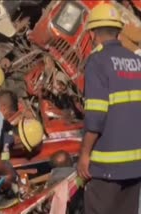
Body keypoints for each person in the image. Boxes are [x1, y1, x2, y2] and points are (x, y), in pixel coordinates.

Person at [76, 3, 141, 214]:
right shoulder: (136, 61)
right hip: (135, 165)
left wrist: (84, 155)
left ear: (93, 34)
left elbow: (96, 115)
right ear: (118, 31)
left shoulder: (98, 61)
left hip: (106, 168)